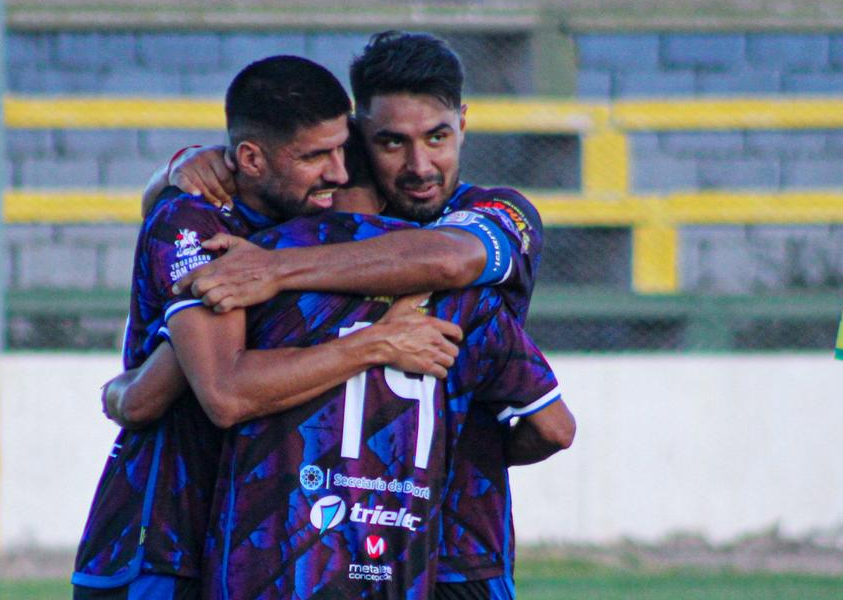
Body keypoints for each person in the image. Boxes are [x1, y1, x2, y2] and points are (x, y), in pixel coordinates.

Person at [153, 31, 561, 598]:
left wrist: (279, 269)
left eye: (438, 137)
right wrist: (175, 169)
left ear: (464, 122)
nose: (421, 165)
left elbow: (447, 260)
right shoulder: (309, 220)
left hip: (459, 546)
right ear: (357, 140)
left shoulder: (495, 211)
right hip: (338, 543)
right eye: (393, 143)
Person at [72, 56, 461, 600]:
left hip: (247, 544)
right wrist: (377, 343)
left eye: (341, 152)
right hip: (156, 542)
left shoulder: (294, 228)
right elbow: (225, 394)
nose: (339, 174)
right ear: (251, 158)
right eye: (315, 156)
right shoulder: (198, 225)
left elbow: (145, 393)